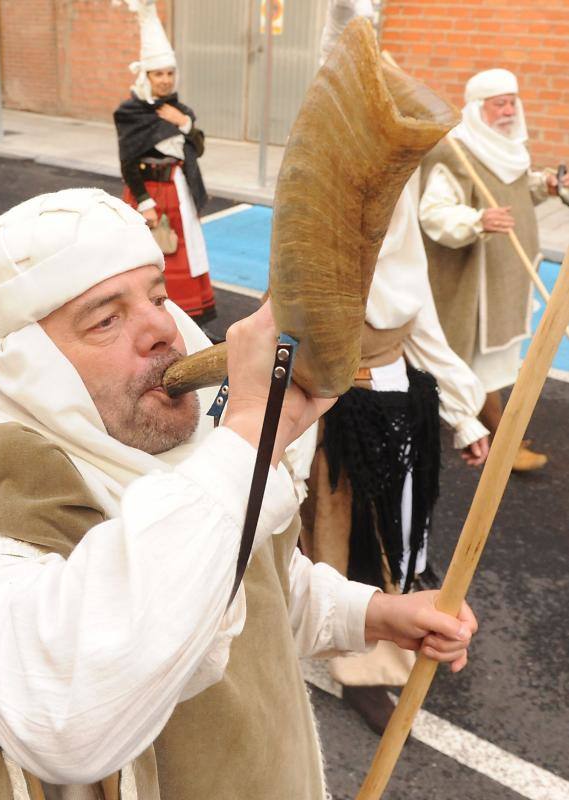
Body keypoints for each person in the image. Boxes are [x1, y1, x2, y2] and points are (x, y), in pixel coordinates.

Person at [0, 189, 476, 800]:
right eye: (106, 319)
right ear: (29, 363)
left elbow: (256, 586)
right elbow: (66, 714)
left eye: (158, 297)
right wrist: (248, 438)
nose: (163, 329)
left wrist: (370, 614)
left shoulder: (189, 446)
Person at [297, 0, 489, 738]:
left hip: (399, 389)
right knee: (336, 526)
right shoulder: (319, 177)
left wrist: (462, 408)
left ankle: (406, 624)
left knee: (404, 521)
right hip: (333, 392)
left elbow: (416, 312)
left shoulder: (396, 173)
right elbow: (289, 317)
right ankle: (362, 665)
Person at [419, 68, 569, 471]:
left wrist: (544, 187)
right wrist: (476, 221)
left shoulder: (509, 150)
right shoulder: (457, 152)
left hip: (507, 279)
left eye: (511, 101)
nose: (507, 110)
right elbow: (433, 213)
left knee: (496, 362)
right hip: (475, 284)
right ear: (477, 108)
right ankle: (503, 443)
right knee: (479, 365)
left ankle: (497, 430)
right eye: (498, 103)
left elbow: (515, 196)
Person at [114, 0, 216, 328]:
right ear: (146, 75)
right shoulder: (131, 112)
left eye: (170, 73)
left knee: (181, 253)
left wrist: (183, 123)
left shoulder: (180, 109)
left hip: (178, 189)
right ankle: (149, 315)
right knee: (151, 254)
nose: (165, 80)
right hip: (150, 192)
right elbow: (128, 159)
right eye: (158, 73)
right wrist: (144, 202)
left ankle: (185, 317)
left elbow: (196, 148)